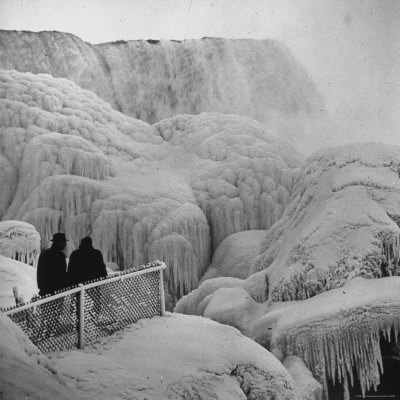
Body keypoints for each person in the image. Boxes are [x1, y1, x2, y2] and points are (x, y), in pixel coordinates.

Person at [67, 237, 107, 317]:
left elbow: (70, 270)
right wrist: (103, 278)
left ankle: (76, 319)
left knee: (76, 303)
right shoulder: (96, 253)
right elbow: (102, 269)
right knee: (95, 301)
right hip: (93, 284)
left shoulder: (75, 254)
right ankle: (95, 317)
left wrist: (69, 283)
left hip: (77, 284)